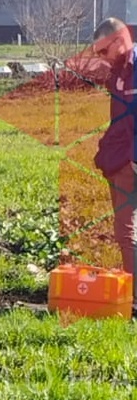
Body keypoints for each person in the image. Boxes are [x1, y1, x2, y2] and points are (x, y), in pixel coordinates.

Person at [90, 18, 137, 280]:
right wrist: (105, 154)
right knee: (124, 232)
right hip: (117, 161)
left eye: (104, 51)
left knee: (127, 232)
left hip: (130, 162)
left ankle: (134, 297)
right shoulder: (118, 72)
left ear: (119, 40)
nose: (102, 59)